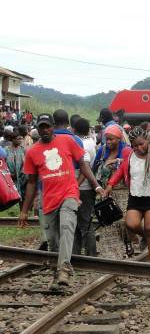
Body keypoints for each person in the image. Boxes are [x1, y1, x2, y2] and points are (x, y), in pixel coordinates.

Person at [18, 114, 103, 287]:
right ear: (38, 129)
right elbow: (32, 183)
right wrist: (24, 211)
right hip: (49, 199)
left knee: (67, 226)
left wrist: (96, 186)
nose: (45, 130)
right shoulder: (33, 151)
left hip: (69, 194)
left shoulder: (68, 141)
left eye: (48, 126)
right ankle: (57, 273)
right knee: (52, 241)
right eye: (41, 127)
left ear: (53, 126)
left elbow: (83, 165)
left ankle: (64, 269)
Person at [103, 127, 150, 262]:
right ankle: (149, 237)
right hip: (136, 196)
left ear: (147, 140)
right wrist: (110, 185)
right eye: (135, 145)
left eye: (141, 144)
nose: (139, 147)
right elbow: (120, 171)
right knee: (131, 224)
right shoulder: (129, 154)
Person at [72, 118, 98, 257]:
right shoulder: (91, 143)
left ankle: (90, 255)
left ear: (74, 129)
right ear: (88, 129)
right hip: (88, 188)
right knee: (84, 222)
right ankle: (79, 253)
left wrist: (75, 185)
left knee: (83, 224)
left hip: (82, 187)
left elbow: (84, 168)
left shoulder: (80, 144)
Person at [5, 131, 27, 204]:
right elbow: (4, 163)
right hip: (10, 178)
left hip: (21, 177)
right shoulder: (6, 150)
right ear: (12, 139)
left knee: (22, 196)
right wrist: (8, 174)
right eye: (18, 139)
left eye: (20, 139)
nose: (20, 140)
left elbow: (25, 163)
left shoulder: (22, 149)